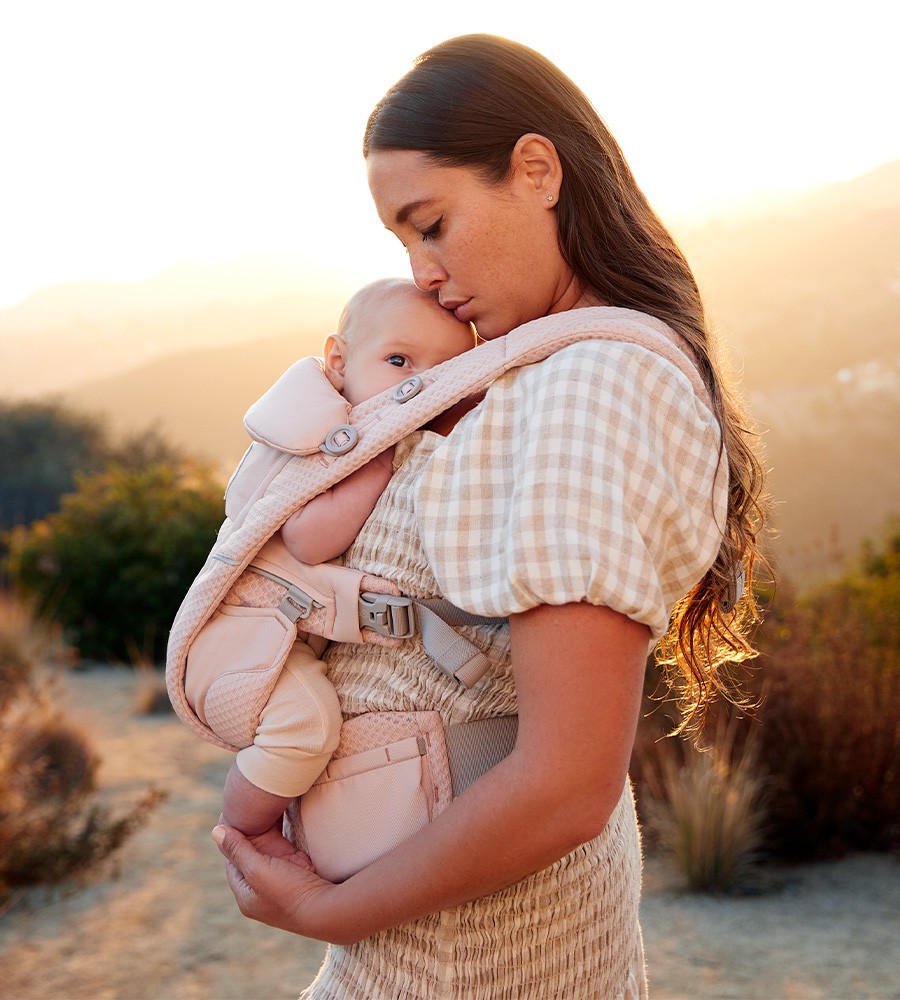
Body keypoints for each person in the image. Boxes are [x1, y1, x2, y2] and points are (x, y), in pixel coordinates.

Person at [210, 34, 766, 999]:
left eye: (432, 223)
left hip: (481, 958)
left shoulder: (591, 385)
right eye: (401, 242)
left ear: (537, 169)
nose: (423, 272)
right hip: (438, 938)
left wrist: (324, 910)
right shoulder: (532, 376)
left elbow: (563, 786)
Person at [213, 277, 476, 873]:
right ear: (338, 362)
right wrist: (375, 464)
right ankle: (245, 834)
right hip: (243, 629)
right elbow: (307, 538)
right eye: (398, 361)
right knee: (302, 728)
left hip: (291, 630)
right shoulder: (340, 440)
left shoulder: (380, 426)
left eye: (448, 371)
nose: (420, 386)